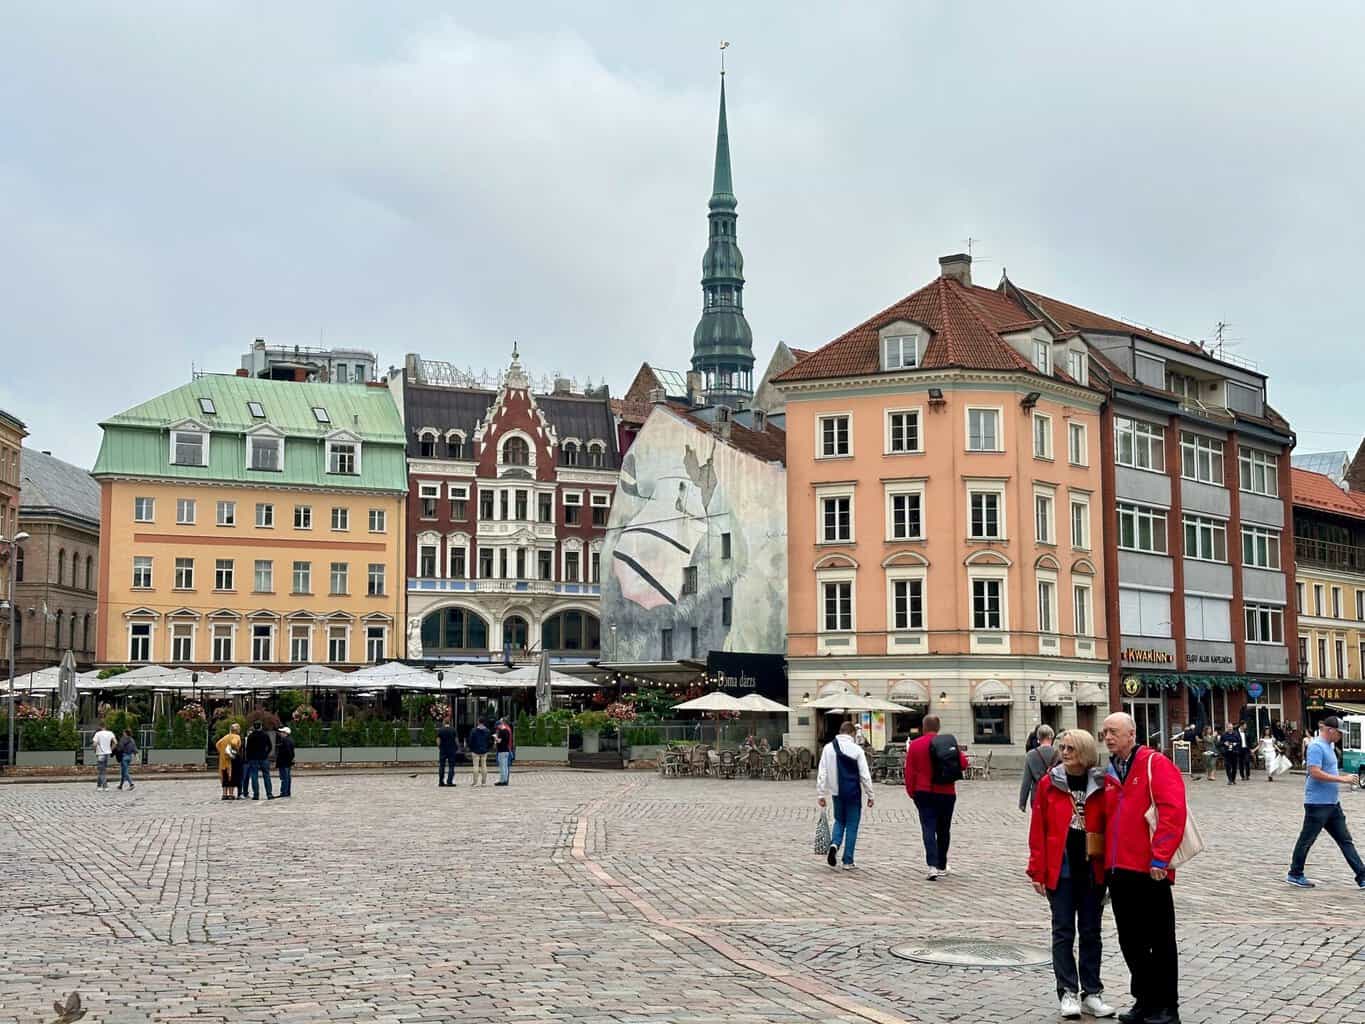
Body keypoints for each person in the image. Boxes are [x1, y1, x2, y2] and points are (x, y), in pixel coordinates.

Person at [1100, 712, 1187, 1024]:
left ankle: (1166, 1006)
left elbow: (1173, 810)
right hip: (1118, 869)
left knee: (1160, 939)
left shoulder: (1154, 763)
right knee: (1130, 940)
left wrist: (1160, 857)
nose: (1108, 737)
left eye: (1113, 732)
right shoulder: (1110, 771)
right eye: (1104, 732)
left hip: (1150, 869)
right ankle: (1144, 1000)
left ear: (1131, 734)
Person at [1027, 729, 1115, 1020]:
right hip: (1061, 871)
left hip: (1092, 870)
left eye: (1071, 749)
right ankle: (1067, 991)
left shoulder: (1102, 784)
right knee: (1063, 932)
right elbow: (1038, 829)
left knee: (1091, 933)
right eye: (1062, 748)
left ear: (1085, 753)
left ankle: (1092, 992)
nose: (1064, 753)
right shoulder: (1049, 784)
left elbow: (1112, 827)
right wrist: (1037, 870)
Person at [1286, 716, 1365, 890]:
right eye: (1339, 733)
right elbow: (1314, 772)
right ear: (1330, 730)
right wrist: (1342, 779)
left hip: (1332, 804)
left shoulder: (1329, 746)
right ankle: (1295, 873)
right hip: (1317, 804)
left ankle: (1362, 876)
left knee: (1345, 841)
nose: (1340, 736)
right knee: (1306, 840)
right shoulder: (1316, 746)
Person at [903, 714, 969, 880]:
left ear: (923, 727)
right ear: (938, 728)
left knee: (928, 828)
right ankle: (942, 864)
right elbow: (963, 764)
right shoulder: (946, 744)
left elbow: (909, 772)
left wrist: (912, 792)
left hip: (923, 792)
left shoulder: (915, 746)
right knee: (944, 829)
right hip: (946, 792)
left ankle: (932, 865)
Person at [816, 721, 875, 870]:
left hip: (836, 793)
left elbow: (822, 772)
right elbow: (864, 775)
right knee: (852, 825)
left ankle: (834, 844)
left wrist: (821, 794)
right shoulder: (856, 750)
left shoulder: (828, 748)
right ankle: (848, 860)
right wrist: (870, 794)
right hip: (853, 792)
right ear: (852, 733)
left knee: (839, 821)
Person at [1019, 724, 1059, 811]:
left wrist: (1022, 802)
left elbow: (1026, 781)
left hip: (1037, 794)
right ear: (1051, 737)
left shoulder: (1031, 755)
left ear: (1038, 738)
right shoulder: (1058, 753)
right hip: (1055, 793)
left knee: (1038, 822)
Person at [243, 720, 275, 800]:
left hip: (253, 758)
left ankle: (256, 794)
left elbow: (248, 749)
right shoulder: (265, 735)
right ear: (261, 726)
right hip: (263, 758)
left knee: (254, 776)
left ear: (254, 727)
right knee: (266, 775)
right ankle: (269, 794)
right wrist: (266, 753)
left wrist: (248, 758)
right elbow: (270, 746)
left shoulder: (251, 736)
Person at [215, 723, 243, 801]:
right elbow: (234, 743)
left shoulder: (225, 737)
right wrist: (232, 751)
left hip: (223, 760)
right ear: (237, 730)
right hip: (231, 760)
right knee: (231, 776)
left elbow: (217, 744)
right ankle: (231, 794)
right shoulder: (236, 736)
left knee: (224, 776)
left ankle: (224, 794)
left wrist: (222, 752)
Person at [91, 721, 116, 791]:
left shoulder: (98, 734)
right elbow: (115, 742)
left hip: (100, 754)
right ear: (106, 726)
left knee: (102, 771)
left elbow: (94, 744)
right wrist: (110, 749)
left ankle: (105, 786)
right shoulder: (110, 733)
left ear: (100, 726)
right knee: (101, 770)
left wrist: (94, 750)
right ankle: (99, 785)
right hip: (107, 753)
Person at [467, 718, 492, 786]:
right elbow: (490, 741)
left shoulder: (473, 730)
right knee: (484, 766)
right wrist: (487, 748)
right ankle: (483, 782)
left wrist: (471, 748)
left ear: (478, 722)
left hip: (475, 750)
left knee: (475, 766)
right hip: (484, 750)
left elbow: (470, 740)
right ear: (484, 722)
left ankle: (475, 782)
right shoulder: (487, 731)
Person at [436, 716, 458, 787]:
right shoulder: (453, 730)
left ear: (444, 722)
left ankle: (441, 781)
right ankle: (449, 781)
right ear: (450, 722)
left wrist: (439, 747)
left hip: (443, 750)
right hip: (451, 750)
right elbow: (456, 740)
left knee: (442, 766)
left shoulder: (440, 730)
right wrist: (457, 747)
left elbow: (438, 740)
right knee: (451, 766)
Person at [275, 726, 295, 799]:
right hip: (288, 762)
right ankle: (287, 792)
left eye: (282, 732)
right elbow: (292, 753)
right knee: (287, 777)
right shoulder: (291, 740)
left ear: (285, 733)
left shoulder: (285, 741)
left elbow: (287, 752)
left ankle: (284, 792)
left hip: (284, 762)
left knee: (284, 778)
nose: (280, 733)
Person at [494, 717, 514, 786]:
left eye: (497, 726)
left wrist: (495, 738)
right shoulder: (507, 731)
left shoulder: (502, 731)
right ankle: (505, 780)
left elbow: (499, 741)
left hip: (501, 751)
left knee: (502, 766)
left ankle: (502, 780)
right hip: (506, 750)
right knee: (505, 766)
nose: (497, 728)